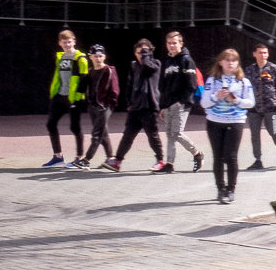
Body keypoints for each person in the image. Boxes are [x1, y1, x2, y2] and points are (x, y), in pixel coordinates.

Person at [200, 48, 255, 203]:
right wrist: (216, 97)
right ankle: (220, 188)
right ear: (220, 62)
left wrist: (236, 100)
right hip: (214, 122)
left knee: (231, 156)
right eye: (227, 60)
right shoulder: (212, 80)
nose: (230, 63)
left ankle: (231, 189)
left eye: (234, 60)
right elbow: (204, 103)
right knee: (218, 156)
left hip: (235, 122)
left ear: (238, 63)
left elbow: (250, 103)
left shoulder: (243, 81)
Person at [102, 39, 164, 173]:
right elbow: (129, 85)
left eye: (144, 52)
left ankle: (160, 160)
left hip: (150, 107)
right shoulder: (133, 65)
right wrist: (129, 103)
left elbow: (148, 66)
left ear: (149, 52)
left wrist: (145, 55)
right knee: (128, 135)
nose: (140, 55)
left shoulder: (155, 63)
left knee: (152, 136)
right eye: (138, 52)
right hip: (136, 108)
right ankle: (117, 161)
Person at [156, 31, 204, 174]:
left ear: (180, 44)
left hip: (181, 104)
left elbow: (191, 85)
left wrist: (180, 102)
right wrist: (163, 106)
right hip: (168, 104)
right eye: (169, 43)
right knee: (170, 134)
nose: (171, 46)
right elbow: (163, 86)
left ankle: (196, 153)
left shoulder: (186, 60)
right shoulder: (167, 61)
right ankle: (169, 164)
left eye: (174, 43)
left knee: (177, 133)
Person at [43, 29, 88, 167]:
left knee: (75, 127)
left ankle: (79, 158)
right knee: (50, 124)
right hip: (59, 96)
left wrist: (77, 98)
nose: (67, 45)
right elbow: (58, 76)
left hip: (73, 98)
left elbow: (84, 80)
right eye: (64, 42)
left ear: (74, 42)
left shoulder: (80, 58)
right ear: (60, 43)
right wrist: (54, 92)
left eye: (69, 42)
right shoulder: (60, 57)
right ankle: (58, 157)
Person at [72, 44, 118, 169]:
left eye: (100, 56)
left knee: (96, 134)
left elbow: (115, 91)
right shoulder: (90, 72)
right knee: (103, 133)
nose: (98, 59)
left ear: (104, 56)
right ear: (90, 57)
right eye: (95, 56)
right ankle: (110, 159)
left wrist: (107, 105)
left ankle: (86, 160)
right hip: (93, 107)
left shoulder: (109, 70)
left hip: (104, 107)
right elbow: (81, 88)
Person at [243, 43, 276, 169]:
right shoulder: (249, 69)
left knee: (273, 131)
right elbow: (245, 88)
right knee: (255, 135)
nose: (263, 55)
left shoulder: (274, 69)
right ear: (254, 54)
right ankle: (258, 160)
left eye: (265, 52)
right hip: (254, 108)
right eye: (260, 52)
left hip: (271, 107)